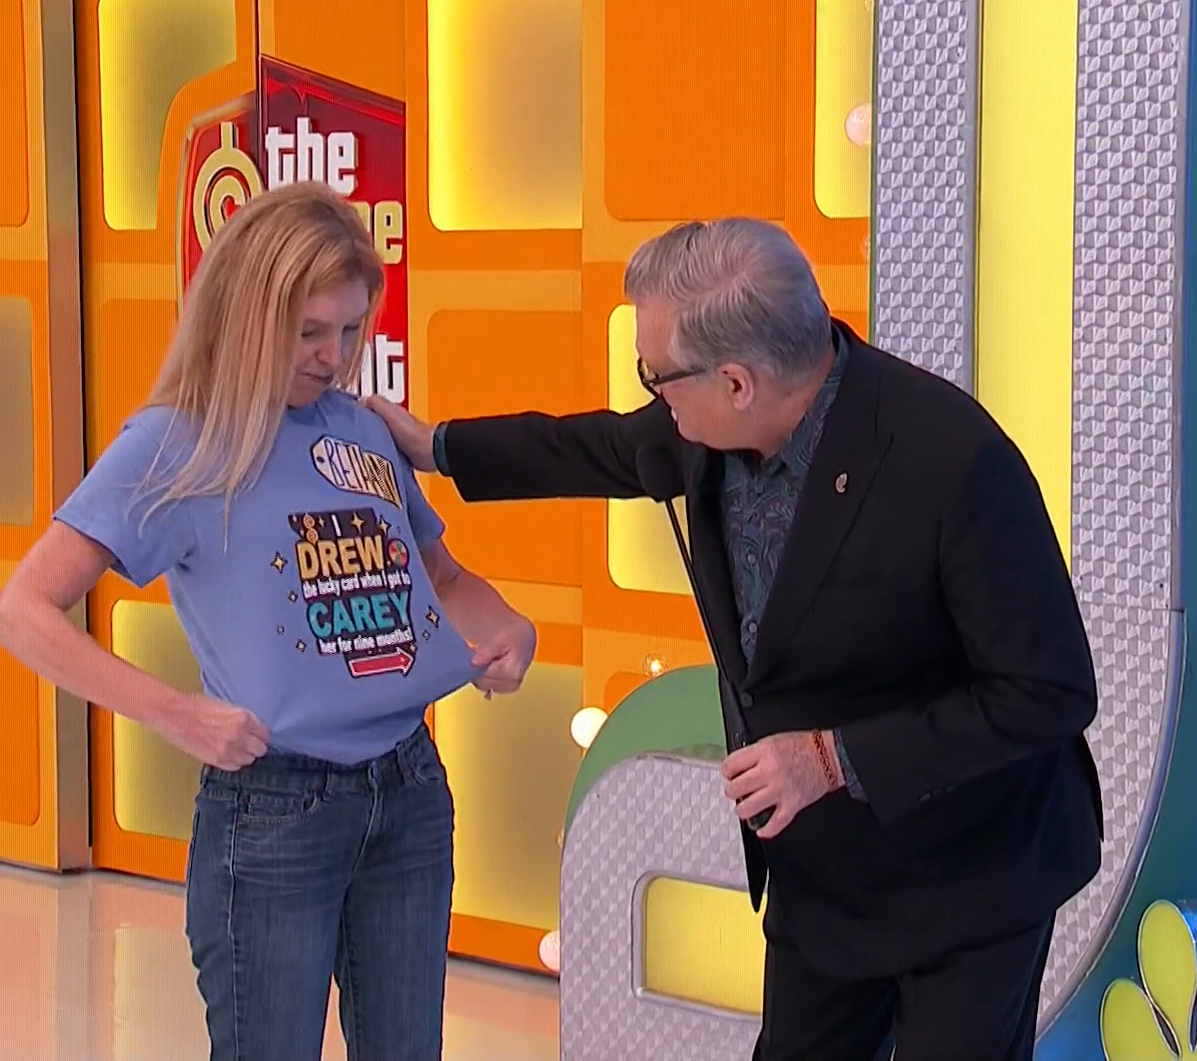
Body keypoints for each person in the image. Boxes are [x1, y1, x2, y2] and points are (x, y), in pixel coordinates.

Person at [364, 217, 1103, 1061]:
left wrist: (830, 758)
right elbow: (594, 446)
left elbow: (1048, 693)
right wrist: (436, 448)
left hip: (973, 872)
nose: (651, 395)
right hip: (825, 872)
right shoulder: (699, 434)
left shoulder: (953, 462)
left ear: (738, 382)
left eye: (656, 375)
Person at [0, 181, 538, 1061]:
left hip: (408, 789)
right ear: (247, 315)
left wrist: (508, 625)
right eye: (309, 331)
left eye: (350, 330)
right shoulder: (175, 441)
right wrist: (178, 715)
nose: (333, 356)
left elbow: (442, 576)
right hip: (274, 806)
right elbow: (22, 612)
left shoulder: (363, 431)